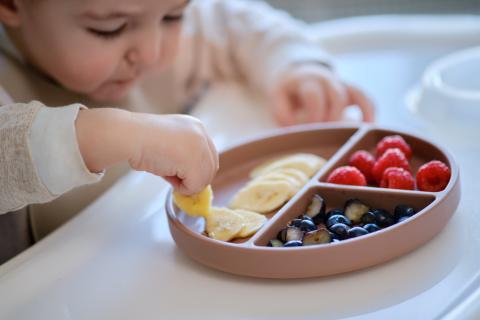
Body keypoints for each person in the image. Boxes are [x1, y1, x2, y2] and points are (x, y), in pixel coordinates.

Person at [0, 0, 374, 263]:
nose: (151, 51)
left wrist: (295, 66)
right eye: (108, 28)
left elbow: (230, 22)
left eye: (174, 16)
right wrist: (108, 134)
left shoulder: (150, 17)